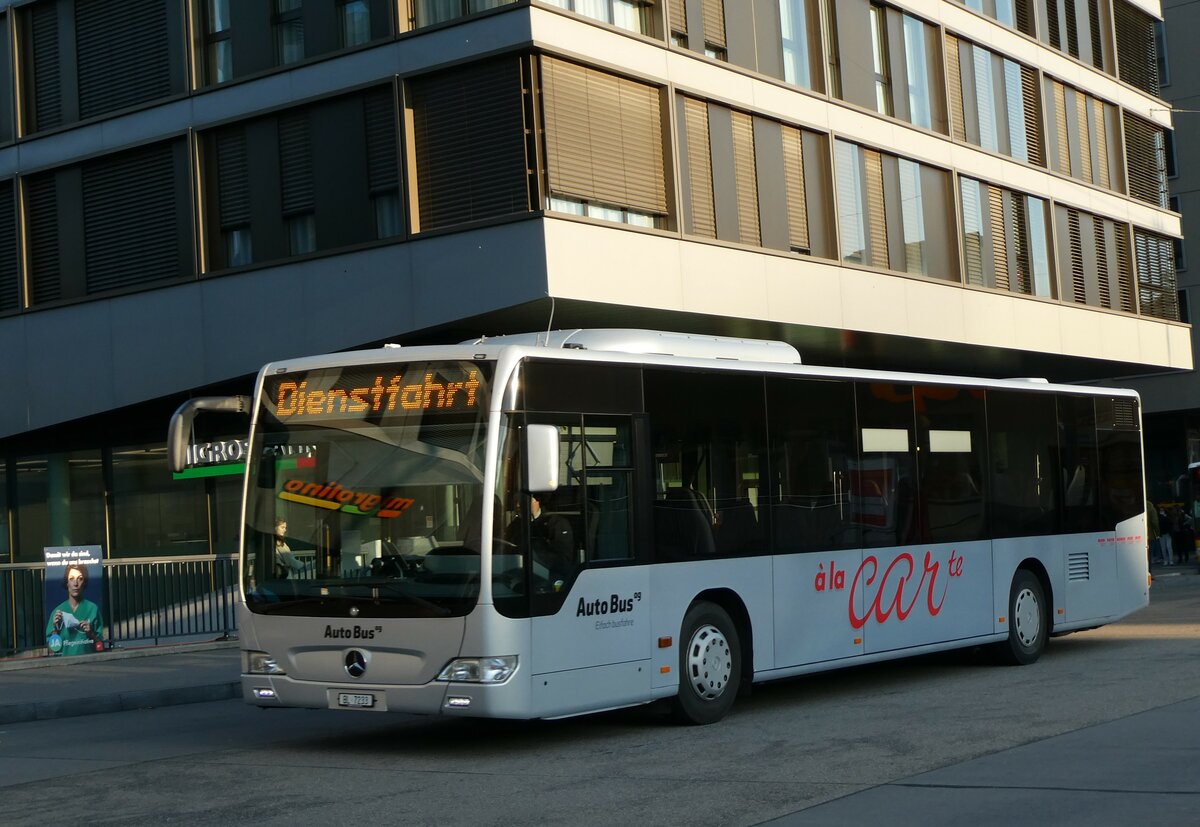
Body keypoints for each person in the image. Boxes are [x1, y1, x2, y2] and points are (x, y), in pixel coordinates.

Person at [506, 493, 575, 576]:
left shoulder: (556, 524)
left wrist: (532, 554)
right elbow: (504, 547)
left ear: (538, 501)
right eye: (515, 501)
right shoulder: (515, 525)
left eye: (522, 500)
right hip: (515, 574)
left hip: (547, 578)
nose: (517, 505)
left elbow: (563, 562)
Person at [45, 564, 104, 656]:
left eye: (80, 579)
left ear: (84, 582)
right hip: (64, 667)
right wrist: (55, 631)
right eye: (71, 579)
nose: (75, 583)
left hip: (89, 664)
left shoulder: (92, 609)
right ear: (67, 582)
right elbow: (51, 651)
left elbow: (100, 647)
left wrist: (91, 634)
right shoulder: (58, 611)